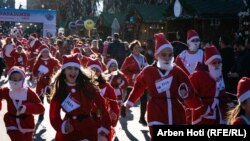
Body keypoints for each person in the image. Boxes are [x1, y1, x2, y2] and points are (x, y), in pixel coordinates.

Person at [124, 33, 205, 139]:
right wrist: (129, 103)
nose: (167, 58)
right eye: (164, 55)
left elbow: (188, 87)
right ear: (157, 55)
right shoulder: (149, 71)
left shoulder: (177, 71)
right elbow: (138, 87)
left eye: (170, 55)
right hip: (156, 111)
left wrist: (186, 94)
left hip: (176, 111)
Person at [49, 54, 111, 141]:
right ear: (64, 71)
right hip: (69, 130)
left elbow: (102, 106)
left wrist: (105, 126)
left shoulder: (88, 87)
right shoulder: (60, 90)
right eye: (69, 68)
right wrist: (62, 126)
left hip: (88, 128)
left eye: (76, 69)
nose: (73, 71)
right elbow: (54, 115)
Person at [189, 46, 232, 124]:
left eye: (219, 62)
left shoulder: (219, 74)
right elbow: (190, 96)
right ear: (207, 63)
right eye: (214, 63)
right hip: (203, 118)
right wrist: (204, 109)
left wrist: (229, 102)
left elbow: (222, 92)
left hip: (219, 117)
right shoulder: (197, 76)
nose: (217, 65)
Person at [0, 66, 45, 141]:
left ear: (23, 80)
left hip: (27, 123)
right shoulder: (6, 91)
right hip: (11, 122)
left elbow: (41, 108)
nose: (16, 81)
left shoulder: (28, 92)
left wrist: (27, 108)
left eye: (19, 79)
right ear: (9, 79)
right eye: (14, 79)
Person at [87, 58, 119, 141]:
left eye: (97, 70)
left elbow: (114, 104)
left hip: (102, 121)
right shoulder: (83, 86)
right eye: (92, 70)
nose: (95, 73)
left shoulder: (107, 87)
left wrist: (114, 115)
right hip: (86, 121)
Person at [121, 40, 149, 126]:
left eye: (139, 47)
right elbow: (123, 71)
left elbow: (146, 66)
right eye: (136, 47)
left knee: (144, 100)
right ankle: (123, 108)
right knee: (129, 98)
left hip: (143, 82)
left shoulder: (143, 57)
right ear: (132, 49)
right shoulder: (129, 59)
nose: (138, 49)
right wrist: (133, 75)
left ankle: (142, 118)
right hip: (132, 82)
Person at [32, 44, 61, 121]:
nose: (45, 53)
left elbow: (59, 66)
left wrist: (58, 72)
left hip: (49, 81)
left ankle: (54, 113)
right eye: (43, 52)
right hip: (40, 81)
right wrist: (37, 74)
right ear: (41, 53)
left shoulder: (52, 60)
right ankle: (41, 114)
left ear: (49, 52)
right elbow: (34, 71)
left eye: (46, 52)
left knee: (50, 99)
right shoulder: (39, 61)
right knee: (40, 98)